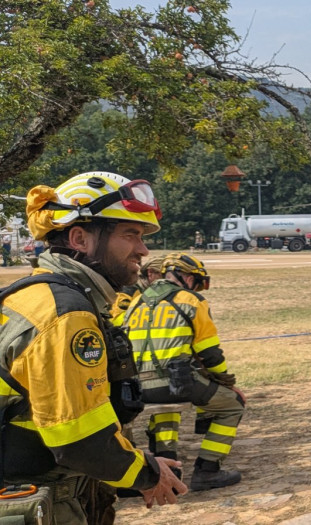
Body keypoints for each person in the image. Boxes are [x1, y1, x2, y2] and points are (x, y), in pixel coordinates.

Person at [2, 172, 186, 524]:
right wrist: (148, 474)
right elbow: (76, 435)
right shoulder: (65, 314)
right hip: (36, 495)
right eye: (130, 234)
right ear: (79, 238)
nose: (143, 250)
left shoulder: (38, 294)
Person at [115, 253, 245, 491]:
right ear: (185, 276)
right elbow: (210, 353)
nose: (197, 287)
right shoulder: (191, 300)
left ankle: (170, 471)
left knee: (166, 409)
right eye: (196, 281)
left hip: (137, 389)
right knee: (232, 405)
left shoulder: (136, 302)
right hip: (176, 384)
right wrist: (226, 382)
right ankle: (208, 470)